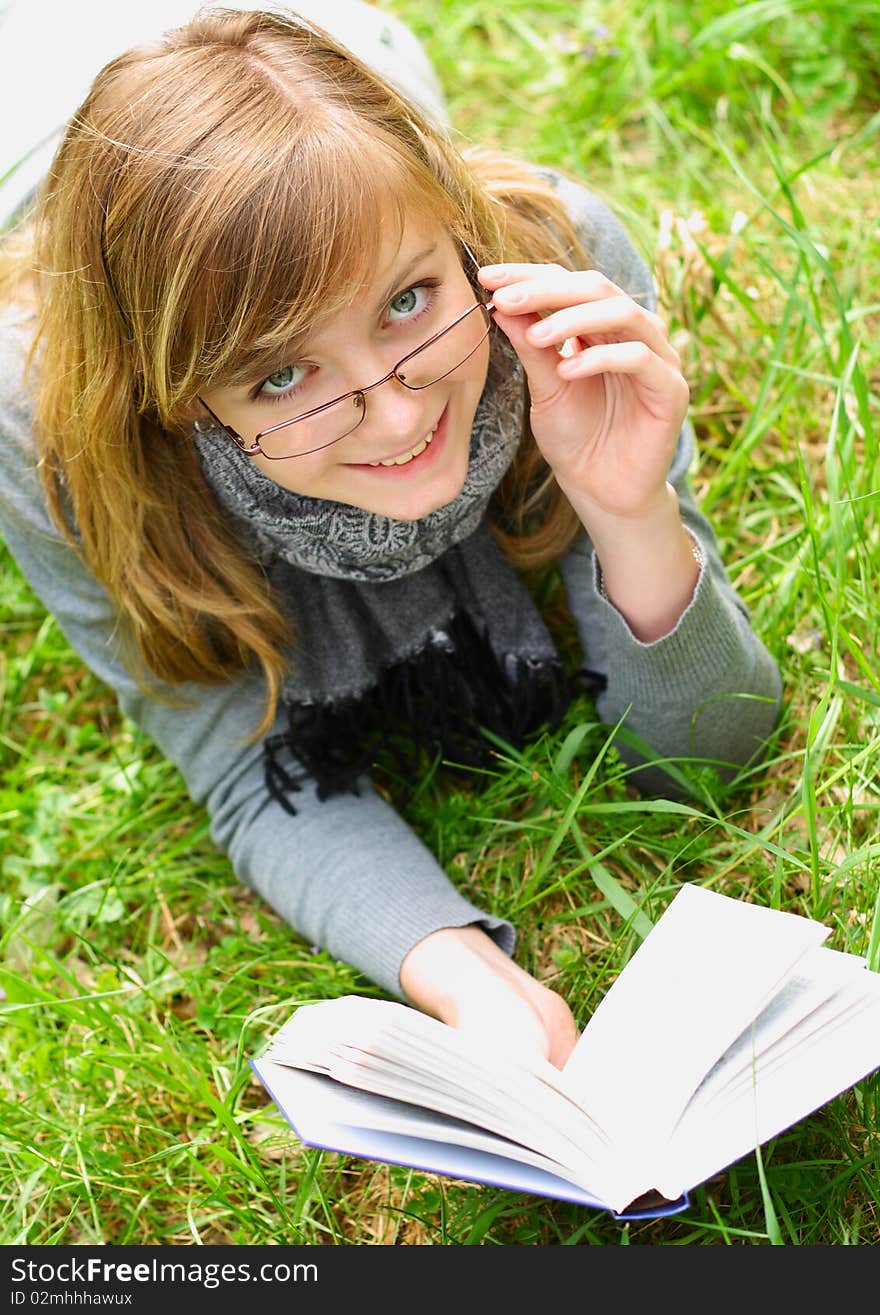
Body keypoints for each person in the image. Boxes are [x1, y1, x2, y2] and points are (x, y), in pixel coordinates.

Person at [0, 3, 782, 1069]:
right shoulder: (54, 428)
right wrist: (465, 975)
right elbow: (242, 762)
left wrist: (629, 511)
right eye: (280, 374)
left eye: (411, 299)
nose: (403, 416)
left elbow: (707, 752)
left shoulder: (553, 270)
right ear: (175, 399)